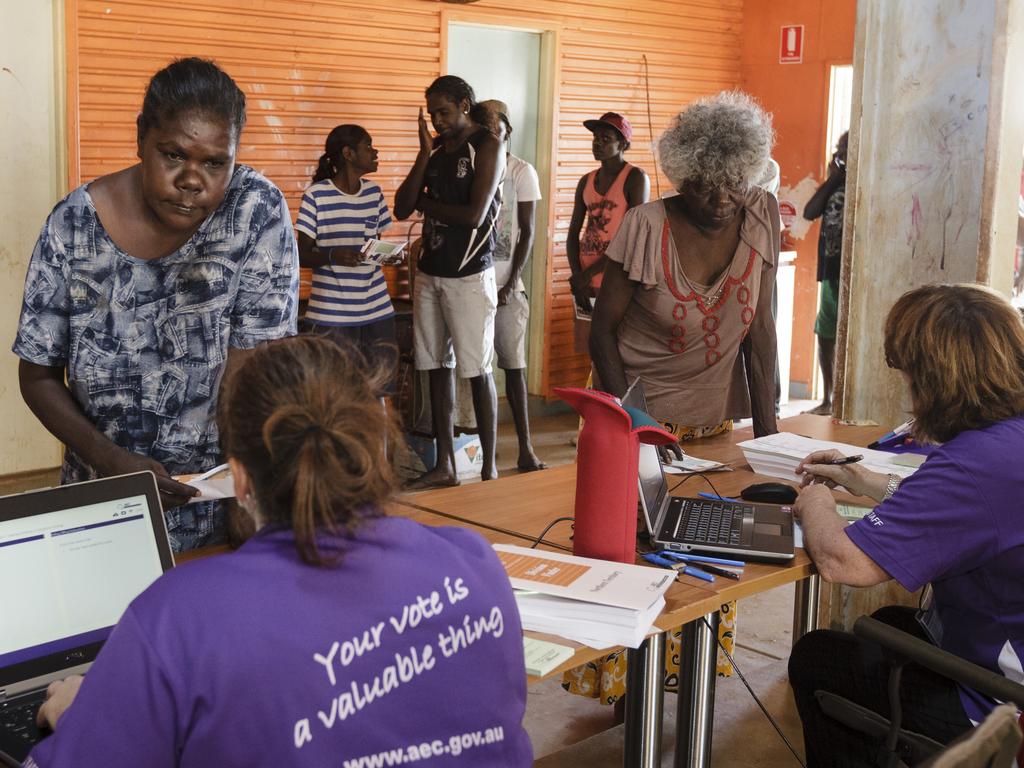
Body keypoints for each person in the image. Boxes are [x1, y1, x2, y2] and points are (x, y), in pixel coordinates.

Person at [25, 335, 534, 767]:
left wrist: (80, 711)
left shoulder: (179, 617)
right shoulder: (474, 562)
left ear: (239, 476)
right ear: (375, 444)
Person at [11, 57, 298, 552]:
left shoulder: (256, 213)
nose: (193, 180)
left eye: (215, 163)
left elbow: (256, 371)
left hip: (217, 501)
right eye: (173, 155)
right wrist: (110, 460)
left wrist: (245, 500)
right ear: (141, 137)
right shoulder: (73, 228)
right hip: (102, 502)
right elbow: (36, 376)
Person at [569, 92, 779, 710]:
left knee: (707, 553)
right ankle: (627, 690)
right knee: (630, 557)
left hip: (712, 423)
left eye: (734, 185)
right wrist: (634, 429)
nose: (722, 200)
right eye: (706, 187)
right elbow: (603, 332)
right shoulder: (646, 225)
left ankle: (681, 688)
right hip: (633, 418)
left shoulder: (761, 213)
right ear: (683, 176)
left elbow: (760, 332)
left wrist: (769, 436)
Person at [789, 283, 1024, 767]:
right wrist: (865, 480)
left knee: (817, 658)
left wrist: (814, 500)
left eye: (911, 377)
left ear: (934, 382)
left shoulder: (975, 463)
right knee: (888, 628)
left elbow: (842, 562)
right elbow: (979, 516)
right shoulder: (1007, 440)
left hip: (1003, 703)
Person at [394, 76, 505, 486]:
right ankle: (445, 466)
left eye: (443, 112)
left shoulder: (487, 146)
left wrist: (428, 202)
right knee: (436, 367)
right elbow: (402, 207)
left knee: (477, 370)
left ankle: (490, 467)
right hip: (431, 273)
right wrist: (424, 153)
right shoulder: (437, 150)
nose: (437, 121)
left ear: (464, 104)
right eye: (432, 114)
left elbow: (475, 215)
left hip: (470, 275)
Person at [473, 99, 546, 472]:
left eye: (494, 129)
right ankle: (481, 457)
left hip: (507, 289)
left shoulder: (521, 171)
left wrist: (511, 281)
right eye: (482, 130)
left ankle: (526, 448)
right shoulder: (472, 167)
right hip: (473, 285)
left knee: (514, 368)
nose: (489, 136)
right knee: (477, 371)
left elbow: (528, 232)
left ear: (507, 131)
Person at [295, 124, 396, 383]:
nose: (376, 152)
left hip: (376, 308)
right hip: (331, 314)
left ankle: (378, 427)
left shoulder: (374, 193)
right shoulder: (317, 195)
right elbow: (301, 254)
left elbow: (375, 246)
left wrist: (390, 255)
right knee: (334, 390)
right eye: (368, 146)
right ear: (348, 153)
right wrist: (333, 256)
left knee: (379, 386)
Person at [566, 112, 649, 355]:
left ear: (623, 144)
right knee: (591, 349)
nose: (597, 143)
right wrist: (578, 276)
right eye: (595, 137)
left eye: (606, 138)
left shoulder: (635, 178)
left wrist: (588, 274)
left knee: (616, 348)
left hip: (616, 276)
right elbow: (573, 234)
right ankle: (596, 393)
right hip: (586, 280)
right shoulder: (586, 181)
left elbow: (632, 236)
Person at [802, 130, 848, 415]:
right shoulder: (836, 182)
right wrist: (833, 176)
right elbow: (809, 211)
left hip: (852, 274)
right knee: (826, 332)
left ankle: (842, 399)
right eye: (839, 149)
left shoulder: (867, 179)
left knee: (846, 335)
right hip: (831, 271)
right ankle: (828, 399)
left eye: (846, 149)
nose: (841, 154)